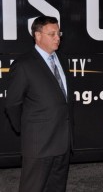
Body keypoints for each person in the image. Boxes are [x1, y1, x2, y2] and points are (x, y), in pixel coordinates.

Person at [5, 15, 73, 192]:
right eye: (52, 34)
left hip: (63, 143)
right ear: (37, 35)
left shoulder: (62, 60)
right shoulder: (24, 64)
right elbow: (12, 104)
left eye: (59, 33)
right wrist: (29, 130)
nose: (58, 37)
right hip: (38, 145)